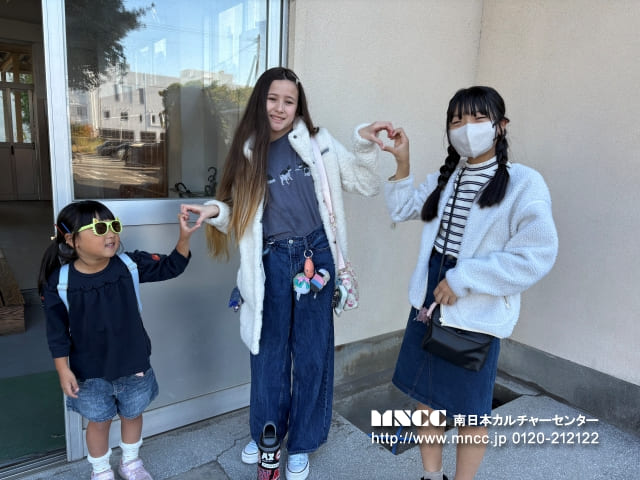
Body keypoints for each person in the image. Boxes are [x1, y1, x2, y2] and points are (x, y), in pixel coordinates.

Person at [181, 66, 391, 480]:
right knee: (268, 354)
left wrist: (364, 143)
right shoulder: (247, 150)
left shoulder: (318, 142)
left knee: (311, 354)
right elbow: (238, 213)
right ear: (260, 101)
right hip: (272, 262)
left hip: (316, 256)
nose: (279, 108)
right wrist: (212, 211)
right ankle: (267, 436)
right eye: (272, 99)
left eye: (288, 101)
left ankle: (304, 442)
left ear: (298, 106)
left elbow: (365, 184)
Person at [383, 86, 558, 480]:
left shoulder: (524, 183)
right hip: (428, 298)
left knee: (470, 412)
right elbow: (402, 208)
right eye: (457, 120)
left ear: (501, 125)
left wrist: (463, 278)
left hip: (475, 304)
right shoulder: (447, 177)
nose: (467, 128)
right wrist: (402, 161)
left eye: (479, 118)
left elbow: (537, 253)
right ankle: (431, 476)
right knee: (426, 399)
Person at [38, 200, 199, 480]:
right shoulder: (60, 283)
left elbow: (171, 267)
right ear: (71, 239)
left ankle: (131, 463)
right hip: (89, 374)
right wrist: (63, 370)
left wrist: (184, 237)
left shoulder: (129, 265)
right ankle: (101, 470)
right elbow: (57, 332)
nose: (111, 233)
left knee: (132, 415)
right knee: (98, 423)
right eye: (99, 228)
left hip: (134, 366)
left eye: (113, 225)